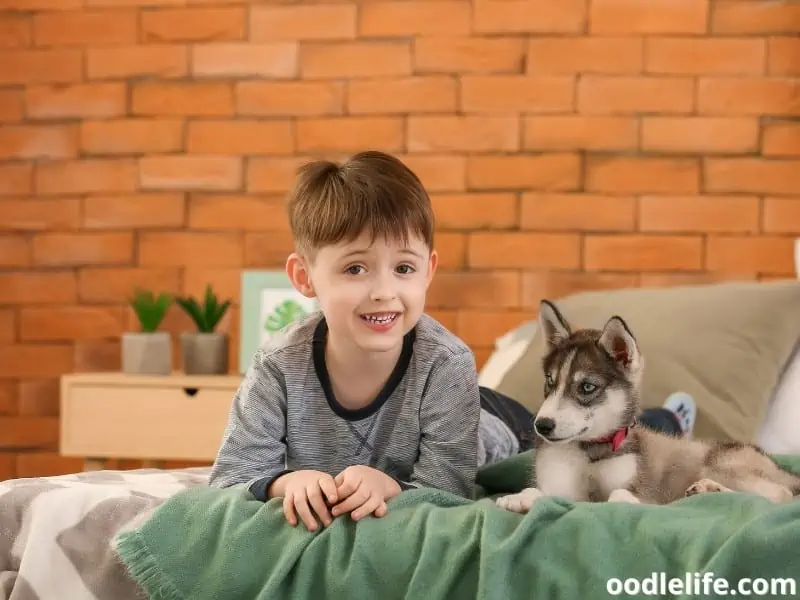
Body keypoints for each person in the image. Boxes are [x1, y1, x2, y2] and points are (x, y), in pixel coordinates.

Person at [208, 150, 697, 532]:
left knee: (577, 434)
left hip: (491, 422)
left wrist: (390, 485)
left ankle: (667, 417)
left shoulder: (446, 362)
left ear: (429, 271)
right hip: (436, 413)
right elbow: (233, 471)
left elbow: (450, 485)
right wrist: (286, 481)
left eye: (404, 268)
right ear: (305, 277)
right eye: (355, 268)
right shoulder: (278, 363)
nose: (384, 291)